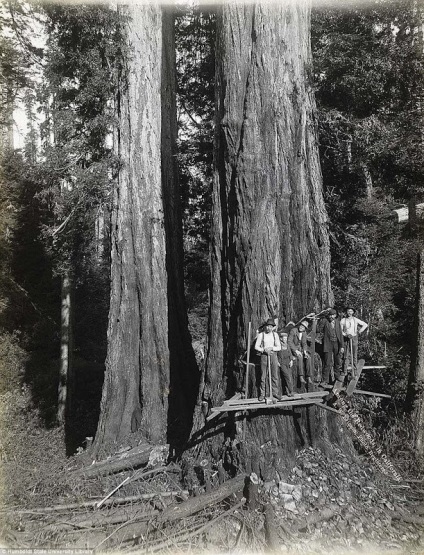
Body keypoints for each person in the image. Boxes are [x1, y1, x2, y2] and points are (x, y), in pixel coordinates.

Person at [255, 318, 282, 401]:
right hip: (264, 356)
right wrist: (264, 349)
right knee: (263, 376)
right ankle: (262, 394)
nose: (268, 328)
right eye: (267, 326)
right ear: (265, 327)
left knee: (275, 376)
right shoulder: (261, 335)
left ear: (272, 327)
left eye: (270, 326)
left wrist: (271, 348)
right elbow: (256, 346)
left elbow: (279, 347)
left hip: (273, 355)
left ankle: (275, 393)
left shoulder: (275, 335)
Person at [318, 309, 344, 385]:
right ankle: (325, 380)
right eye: (329, 315)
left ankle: (337, 376)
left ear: (335, 315)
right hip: (328, 344)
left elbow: (340, 335)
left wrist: (342, 346)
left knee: (337, 361)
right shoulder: (325, 321)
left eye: (332, 315)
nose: (331, 317)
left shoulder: (337, 322)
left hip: (336, 343)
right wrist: (319, 321)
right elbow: (318, 329)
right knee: (327, 362)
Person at [340, 307, 368, 373]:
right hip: (346, 338)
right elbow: (340, 330)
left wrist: (359, 331)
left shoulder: (355, 319)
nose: (349, 313)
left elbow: (365, 325)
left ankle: (355, 370)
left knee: (354, 354)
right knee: (346, 354)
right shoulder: (343, 320)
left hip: (354, 338)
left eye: (351, 311)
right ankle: (344, 370)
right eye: (348, 311)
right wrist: (345, 335)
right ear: (346, 312)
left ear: (353, 312)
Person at [288, 320, 311, 384]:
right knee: (300, 357)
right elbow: (289, 342)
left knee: (308, 358)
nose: (301, 327)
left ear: (305, 329)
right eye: (301, 325)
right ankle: (301, 376)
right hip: (293, 349)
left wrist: (305, 351)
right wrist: (296, 350)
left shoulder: (304, 333)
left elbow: (304, 343)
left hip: (300, 349)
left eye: (303, 327)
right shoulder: (293, 331)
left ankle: (308, 376)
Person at [277, 332, 294, 396]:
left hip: (288, 362)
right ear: (281, 339)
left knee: (289, 376)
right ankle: (291, 391)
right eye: (284, 338)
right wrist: (277, 361)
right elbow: (275, 354)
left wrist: (291, 360)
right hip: (282, 362)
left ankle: (288, 392)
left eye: (286, 338)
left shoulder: (287, 345)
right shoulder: (278, 345)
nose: (285, 340)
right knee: (287, 376)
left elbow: (290, 353)